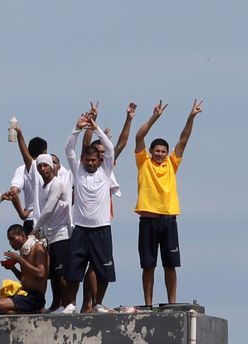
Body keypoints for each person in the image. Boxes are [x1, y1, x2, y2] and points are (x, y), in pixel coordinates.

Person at [134, 99, 203, 306]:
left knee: (170, 265)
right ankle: (148, 304)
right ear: (151, 152)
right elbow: (139, 136)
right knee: (148, 265)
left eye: (164, 151)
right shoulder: (144, 163)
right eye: (157, 151)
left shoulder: (171, 165)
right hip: (148, 220)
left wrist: (191, 117)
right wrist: (155, 117)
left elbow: (184, 139)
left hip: (168, 220)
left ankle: (171, 303)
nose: (161, 154)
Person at [79, 102, 138, 312]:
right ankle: (87, 303)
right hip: (83, 220)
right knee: (88, 265)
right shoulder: (87, 167)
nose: (102, 156)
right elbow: (84, 147)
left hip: (103, 219)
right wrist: (89, 126)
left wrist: (129, 119)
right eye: (98, 153)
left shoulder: (106, 167)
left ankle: (96, 303)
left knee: (101, 265)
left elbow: (121, 144)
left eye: (104, 153)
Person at [13, 124, 72, 311]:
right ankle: (56, 303)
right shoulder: (40, 180)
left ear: (54, 167)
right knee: (52, 271)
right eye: (41, 166)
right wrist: (20, 136)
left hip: (60, 232)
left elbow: (48, 210)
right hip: (46, 233)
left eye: (47, 165)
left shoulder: (58, 183)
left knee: (62, 272)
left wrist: (35, 228)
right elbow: (27, 158)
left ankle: (68, 303)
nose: (43, 169)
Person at [62, 112, 116, 313]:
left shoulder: (105, 170)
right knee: (74, 270)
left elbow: (110, 148)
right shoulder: (78, 170)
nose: (91, 163)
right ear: (83, 159)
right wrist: (77, 128)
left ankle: (98, 303)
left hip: (101, 229)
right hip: (81, 229)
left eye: (94, 160)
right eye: (88, 160)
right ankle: (71, 304)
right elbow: (68, 148)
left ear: (99, 160)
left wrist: (96, 127)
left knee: (104, 269)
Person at [0, 224, 48, 314]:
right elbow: (25, 278)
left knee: (0, 305)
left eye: (12, 239)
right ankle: (27, 311)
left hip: (35, 297)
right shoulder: (23, 252)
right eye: (9, 240)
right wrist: (12, 268)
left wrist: (20, 260)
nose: (10, 243)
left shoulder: (38, 248)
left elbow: (41, 273)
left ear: (22, 235)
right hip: (24, 293)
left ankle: (36, 310)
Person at [5, 130, 47, 234]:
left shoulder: (21, 169)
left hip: (30, 219)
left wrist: (21, 214)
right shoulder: (50, 169)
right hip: (47, 219)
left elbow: (13, 192)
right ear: (45, 152)